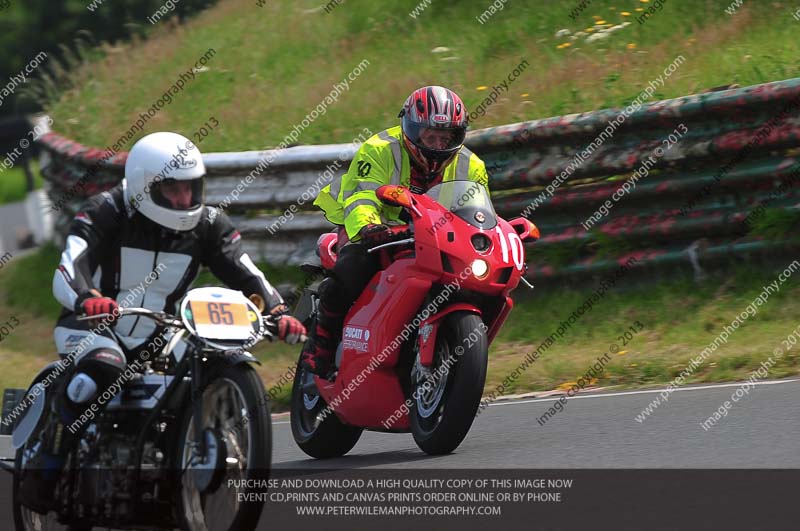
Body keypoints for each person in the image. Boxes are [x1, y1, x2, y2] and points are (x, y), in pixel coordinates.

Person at [20, 131, 306, 513]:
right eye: (172, 189)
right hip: (90, 324)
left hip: (161, 332)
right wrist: (88, 297)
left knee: (204, 364)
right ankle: (44, 468)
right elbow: (70, 267)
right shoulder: (106, 210)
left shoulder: (209, 224)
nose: (184, 200)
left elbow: (246, 273)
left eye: (191, 188)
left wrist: (277, 311)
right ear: (144, 186)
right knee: (102, 369)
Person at [302, 85, 489, 375]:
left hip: (434, 236)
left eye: (446, 137)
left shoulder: (472, 165)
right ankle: (321, 343)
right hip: (376, 227)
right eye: (430, 135)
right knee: (355, 265)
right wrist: (368, 227)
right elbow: (361, 197)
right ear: (411, 130)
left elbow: (479, 215)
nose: (438, 144)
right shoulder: (379, 149)